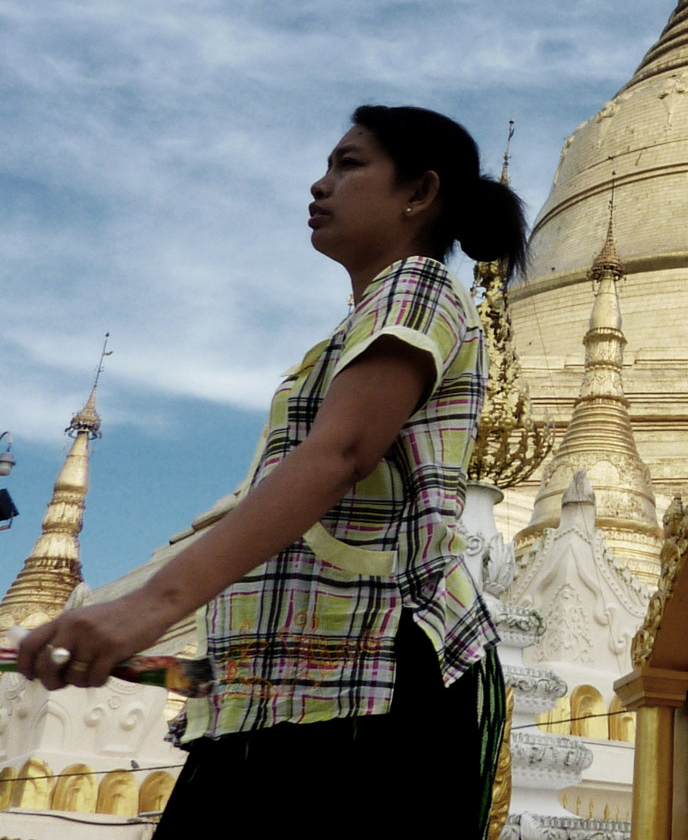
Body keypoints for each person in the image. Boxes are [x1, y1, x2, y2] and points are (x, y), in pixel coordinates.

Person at [14, 105, 524, 839]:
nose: (320, 185)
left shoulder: (420, 285)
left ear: (419, 193)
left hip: (368, 680)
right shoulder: (348, 331)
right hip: (283, 688)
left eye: (349, 165)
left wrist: (148, 607)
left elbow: (341, 456)